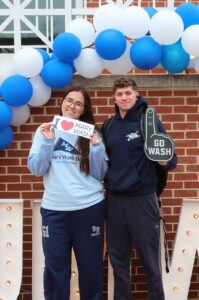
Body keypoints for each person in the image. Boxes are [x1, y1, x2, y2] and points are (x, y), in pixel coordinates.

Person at [28, 86, 108, 300]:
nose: (72, 105)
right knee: (55, 270)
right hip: (55, 211)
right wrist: (47, 141)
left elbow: (100, 173)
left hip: (89, 208)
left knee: (91, 270)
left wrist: (97, 148)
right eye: (69, 100)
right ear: (62, 102)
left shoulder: (92, 133)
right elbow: (36, 169)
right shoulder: (44, 130)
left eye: (78, 103)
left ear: (84, 110)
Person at [101, 77, 177, 300]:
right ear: (114, 98)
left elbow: (171, 160)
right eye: (120, 94)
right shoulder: (109, 125)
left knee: (151, 263)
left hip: (142, 200)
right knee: (119, 263)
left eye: (128, 93)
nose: (124, 97)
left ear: (136, 94)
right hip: (114, 201)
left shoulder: (149, 122)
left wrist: (164, 160)